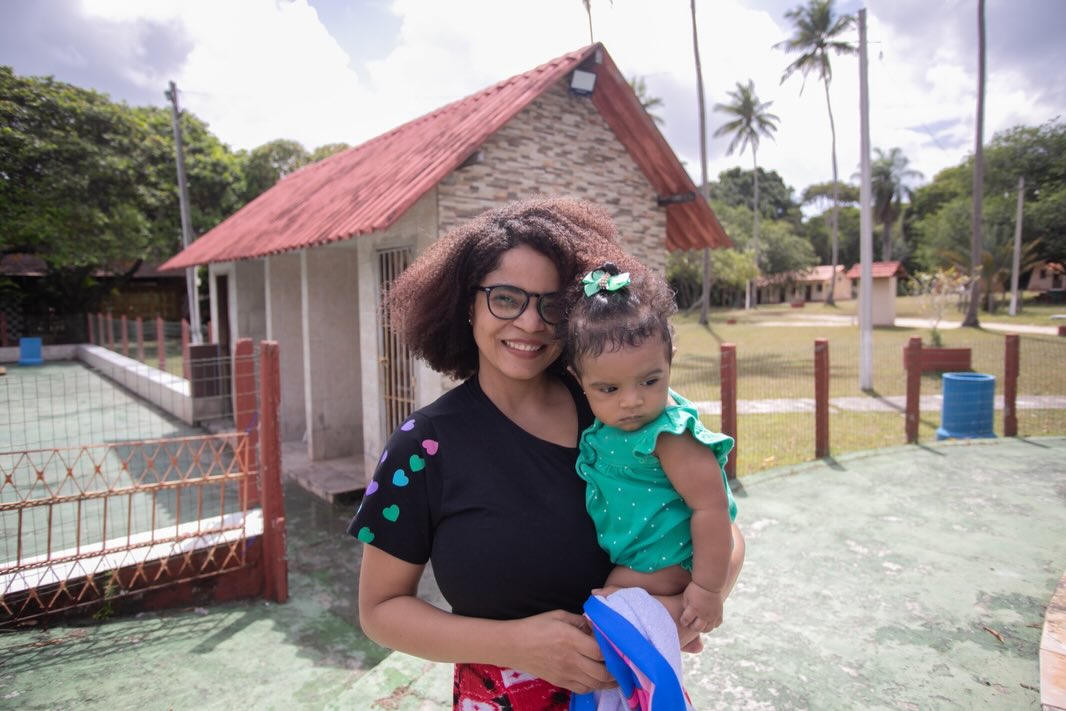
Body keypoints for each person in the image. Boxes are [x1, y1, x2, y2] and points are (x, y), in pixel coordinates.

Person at [349, 198, 678, 710]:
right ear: (468, 304)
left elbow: (718, 521)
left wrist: (687, 607)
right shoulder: (422, 447)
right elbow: (380, 611)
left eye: (552, 304)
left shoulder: (615, 404)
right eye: (505, 298)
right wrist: (517, 644)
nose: (530, 322)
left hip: (635, 692)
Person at [563, 262, 745, 638]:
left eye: (649, 381)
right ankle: (668, 637)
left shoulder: (669, 435)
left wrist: (708, 589)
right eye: (609, 389)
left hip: (671, 559)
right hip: (643, 556)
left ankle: (664, 635)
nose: (632, 401)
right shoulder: (609, 427)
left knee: (610, 607)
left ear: (669, 361)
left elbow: (711, 507)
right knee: (613, 604)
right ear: (578, 379)